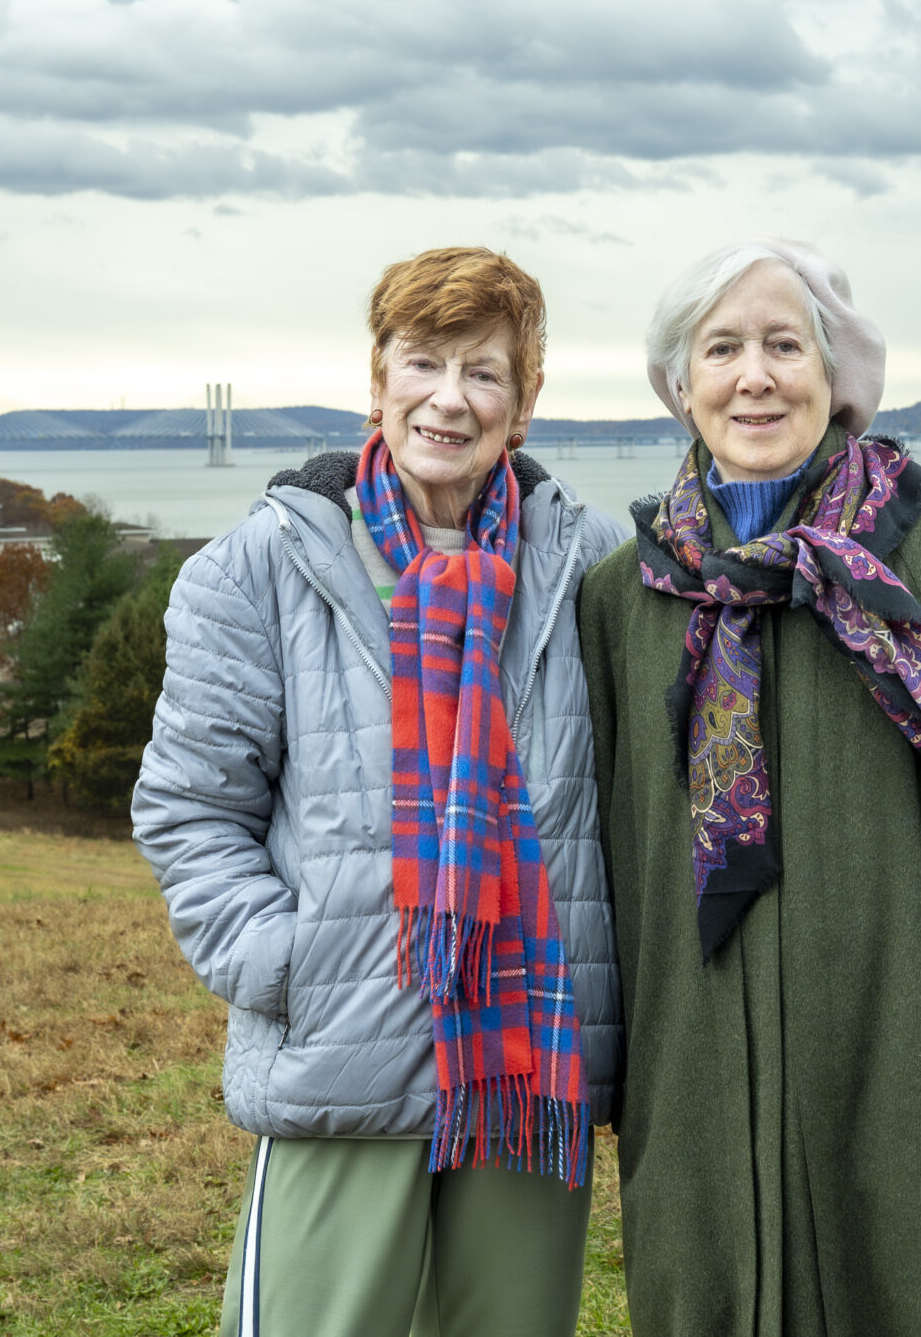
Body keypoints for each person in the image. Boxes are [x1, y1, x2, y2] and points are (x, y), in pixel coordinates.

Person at [577, 238, 921, 1337]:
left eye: (785, 344)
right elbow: (594, 857)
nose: (755, 376)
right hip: (700, 1081)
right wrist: (603, 1065)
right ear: (679, 385)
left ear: (838, 380)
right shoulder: (623, 599)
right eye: (721, 348)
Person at [135, 246, 627, 1337]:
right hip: (344, 1053)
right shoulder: (255, 568)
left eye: (485, 372)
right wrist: (291, 965)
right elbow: (189, 807)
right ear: (377, 380)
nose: (450, 399)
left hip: (528, 1072)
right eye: (423, 362)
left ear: (526, 402)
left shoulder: (593, 562)